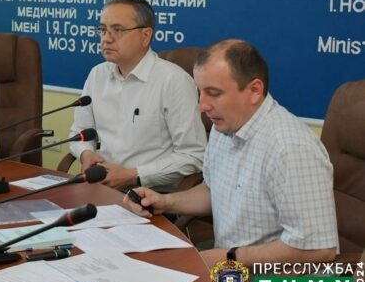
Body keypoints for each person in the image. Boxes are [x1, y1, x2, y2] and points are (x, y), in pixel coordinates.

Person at [125, 40, 338, 267]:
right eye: (200, 92)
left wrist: (230, 257)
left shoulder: (290, 148)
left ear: (254, 91)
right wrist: (164, 201)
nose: (202, 106)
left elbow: (318, 250)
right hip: (229, 261)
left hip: (274, 281)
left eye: (214, 93)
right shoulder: (225, 126)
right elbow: (214, 191)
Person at [69, 0, 206, 192]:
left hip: (153, 195)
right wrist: (86, 154)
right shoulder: (97, 75)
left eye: (118, 30)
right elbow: (80, 132)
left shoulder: (173, 81)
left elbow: (193, 155)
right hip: (102, 187)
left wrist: (133, 175)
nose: (106, 38)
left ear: (145, 35)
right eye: (103, 30)